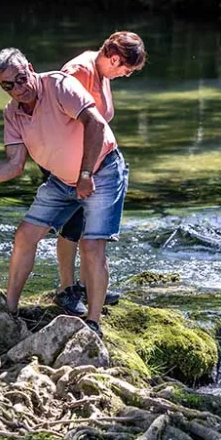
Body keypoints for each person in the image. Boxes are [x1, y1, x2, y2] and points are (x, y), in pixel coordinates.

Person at [0, 48, 129, 336]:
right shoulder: (12, 113)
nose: (18, 88)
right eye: (8, 85)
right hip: (61, 180)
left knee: (91, 246)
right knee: (25, 235)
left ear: (30, 67)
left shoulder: (59, 85)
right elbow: (14, 165)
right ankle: (10, 308)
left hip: (101, 170)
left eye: (21, 78)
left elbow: (96, 124)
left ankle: (93, 323)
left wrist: (86, 174)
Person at [53, 30, 146, 317]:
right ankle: (66, 290)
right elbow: (60, 118)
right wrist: (80, 171)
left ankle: (87, 286)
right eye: (128, 70)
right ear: (115, 59)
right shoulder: (80, 70)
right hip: (73, 164)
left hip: (93, 163)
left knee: (87, 227)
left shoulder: (102, 72)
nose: (127, 76)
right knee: (72, 225)